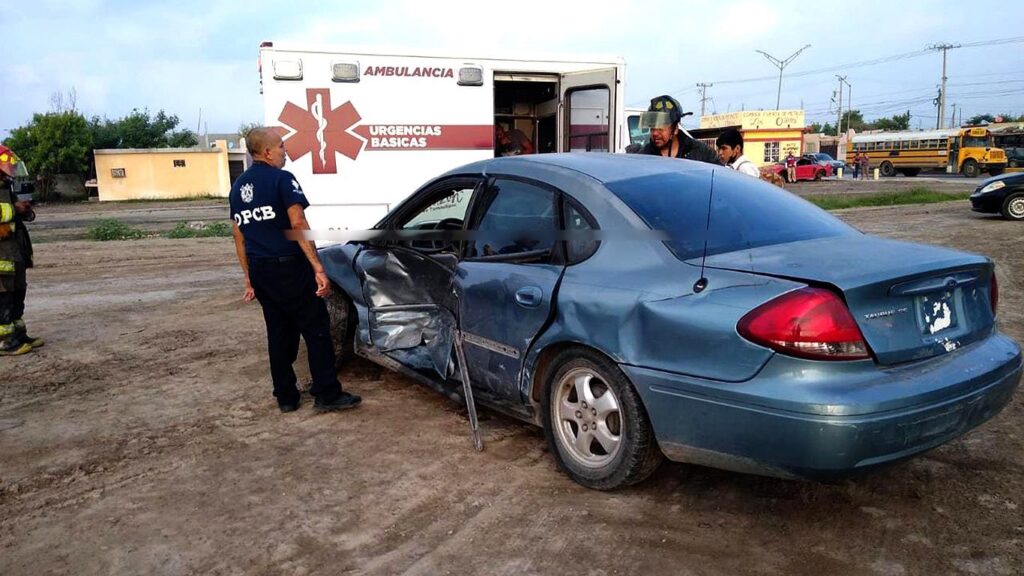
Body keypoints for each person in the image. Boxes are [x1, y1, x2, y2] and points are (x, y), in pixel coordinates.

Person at [230, 128, 361, 413]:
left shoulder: (238, 187)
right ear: (266, 152)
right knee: (316, 329)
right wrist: (318, 268)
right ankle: (327, 392)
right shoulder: (282, 180)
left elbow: (239, 236)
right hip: (288, 267)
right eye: (281, 146)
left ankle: (286, 397)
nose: (284, 151)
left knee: (278, 332)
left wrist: (248, 277)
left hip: (261, 270)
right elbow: (298, 223)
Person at [0, 145, 41, 356]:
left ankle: (18, 335)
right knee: (3, 298)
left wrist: (25, 208)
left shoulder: (8, 186)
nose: (11, 169)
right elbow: (5, 213)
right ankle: (5, 342)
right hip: (1, 255)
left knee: (17, 293)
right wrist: (14, 208)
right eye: (7, 164)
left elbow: (18, 217)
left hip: (14, 252)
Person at [636, 95, 721, 165]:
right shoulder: (644, 157)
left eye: (660, 128)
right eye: (652, 128)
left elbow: (719, 177)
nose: (655, 133)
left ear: (675, 129)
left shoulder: (700, 152)